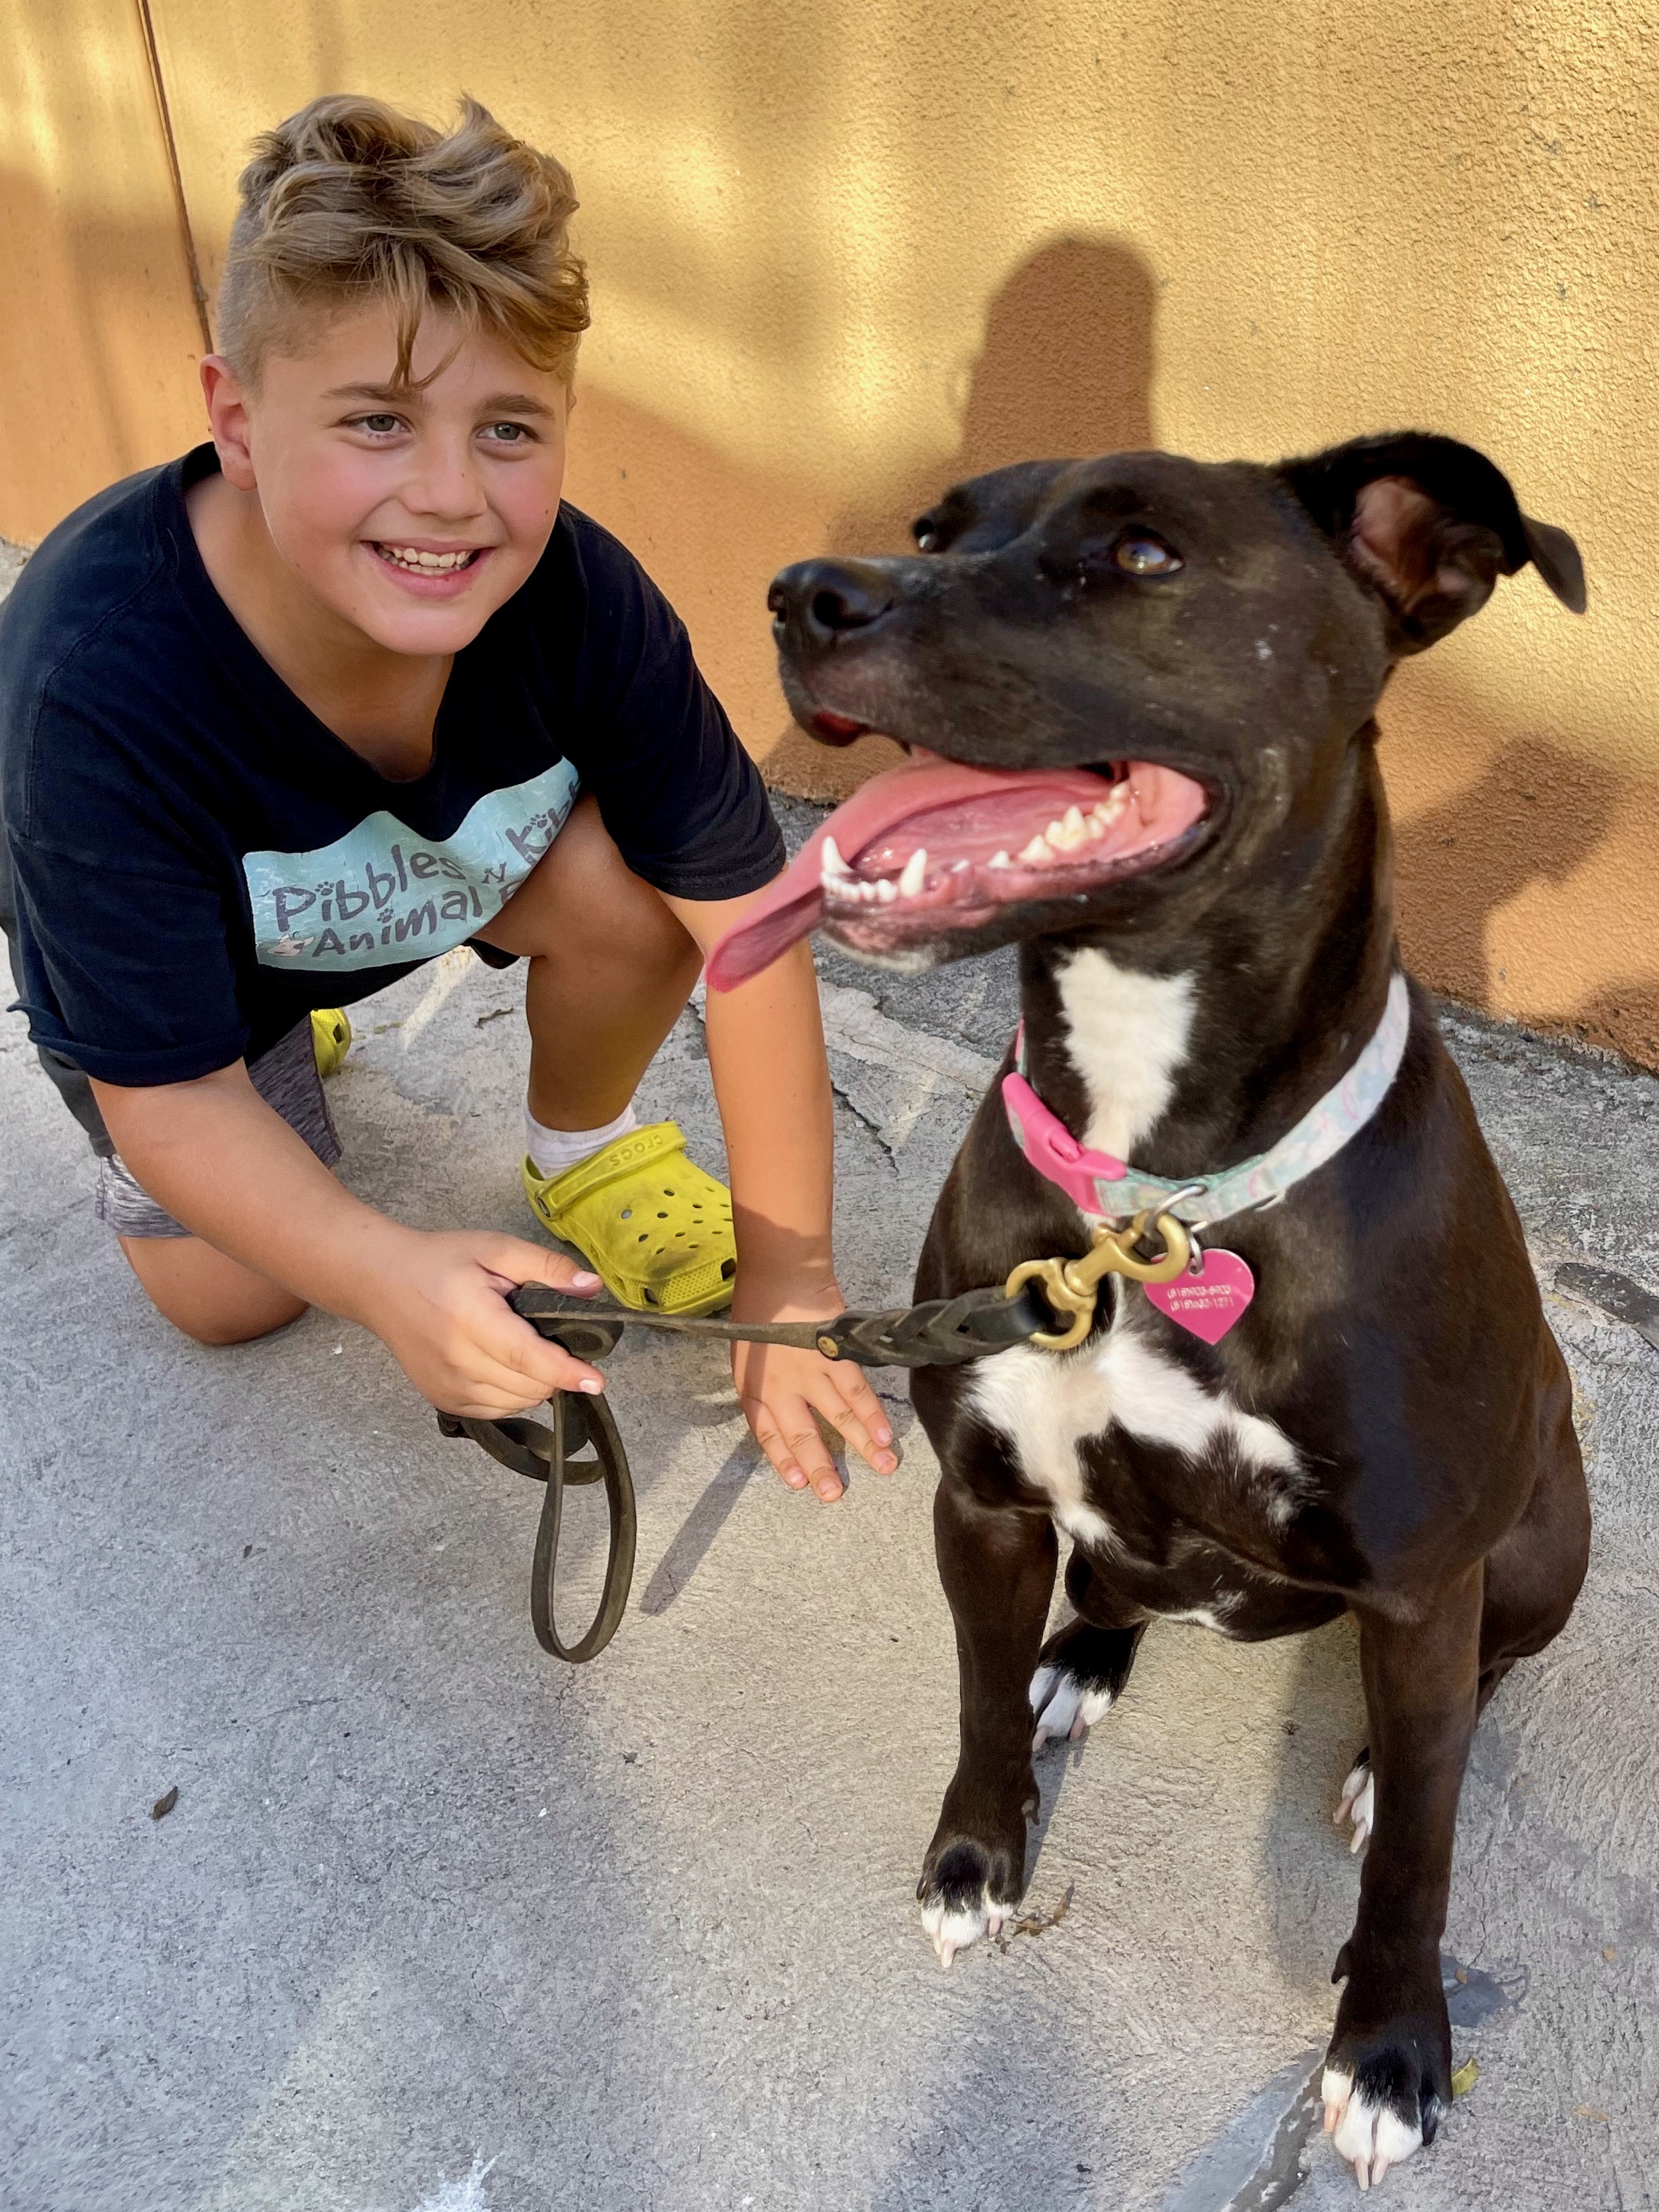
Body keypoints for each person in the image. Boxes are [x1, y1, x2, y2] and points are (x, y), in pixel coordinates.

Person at [0, 93, 895, 1504]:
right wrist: (383, 1271)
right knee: (241, 1294)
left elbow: (750, 922)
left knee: (644, 887)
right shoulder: (92, 683)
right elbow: (164, 1098)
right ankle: (278, 1011)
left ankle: (581, 1147)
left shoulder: (580, 595)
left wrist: (794, 1275)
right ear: (234, 417)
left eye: (508, 429)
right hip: (203, 979)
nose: (448, 496)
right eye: (375, 419)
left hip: (405, 872)